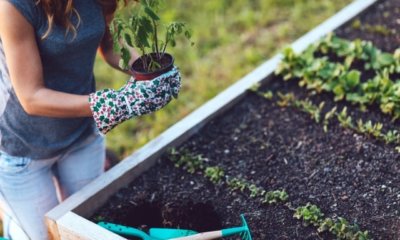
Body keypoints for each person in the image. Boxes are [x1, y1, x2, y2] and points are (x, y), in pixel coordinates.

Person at [0, 0, 180, 239]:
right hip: (23, 149)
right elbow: (31, 97)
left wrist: (149, 73)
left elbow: (110, 45)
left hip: (82, 134)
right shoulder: (14, 6)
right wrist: (113, 103)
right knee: (45, 236)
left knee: (86, 227)